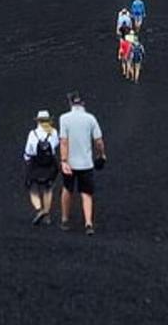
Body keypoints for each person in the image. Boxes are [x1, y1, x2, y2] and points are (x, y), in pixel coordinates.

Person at [59, 91, 106, 236]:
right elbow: (98, 141)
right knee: (86, 193)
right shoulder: (90, 119)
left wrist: (64, 160)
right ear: (83, 103)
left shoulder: (64, 119)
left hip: (70, 164)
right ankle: (88, 223)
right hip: (86, 163)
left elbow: (64, 142)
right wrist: (101, 154)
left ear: (70, 103)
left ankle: (65, 219)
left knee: (67, 189)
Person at [23, 110, 60, 225]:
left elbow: (28, 151)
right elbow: (56, 145)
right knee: (48, 189)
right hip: (49, 164)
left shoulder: (32, 133)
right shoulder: (53, 132)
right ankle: (47, 215)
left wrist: (27, 161)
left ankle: (39, 209)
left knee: (33, 189)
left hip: (35, 163)